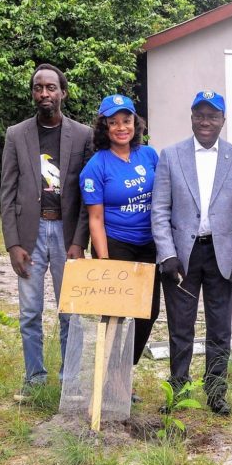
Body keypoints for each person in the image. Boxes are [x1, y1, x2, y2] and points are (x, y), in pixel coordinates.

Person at [152, 90, 232, 416]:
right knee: (180, 327)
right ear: (192, 118)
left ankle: (216, 391)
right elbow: (159, 210)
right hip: (183, 256)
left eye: (212, 116)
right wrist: (167, 254)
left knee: (220, 329)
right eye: (200, 115)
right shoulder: (171, 155)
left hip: (222, 255)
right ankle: (179, 389)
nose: (205, 121)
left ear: (223, 120)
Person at [0, 63, 94, 401]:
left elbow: (88, 195)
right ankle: (34, 379)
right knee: (29, 312)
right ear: (32, 93)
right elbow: (7, 192)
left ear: (63, 93)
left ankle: (71, 382)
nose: (44, 93)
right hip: (31, 233)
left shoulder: (83, 135)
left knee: (71, 311)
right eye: (38, 87)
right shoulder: (16, 134)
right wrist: (13, 243)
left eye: (51, 87)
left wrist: (80, 240)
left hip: (67, 235)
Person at [79, 94, 160, 401]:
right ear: (104, 127)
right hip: (116, 244)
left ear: (135, 124)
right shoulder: (96, 166)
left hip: (149, 244)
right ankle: (111, 381)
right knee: (116, 315)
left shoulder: (149, 156)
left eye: (126, 121)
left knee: (148, 312)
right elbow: (95, 219)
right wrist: (105, 261)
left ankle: (122, 370)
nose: (121, 127)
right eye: (113, 123)